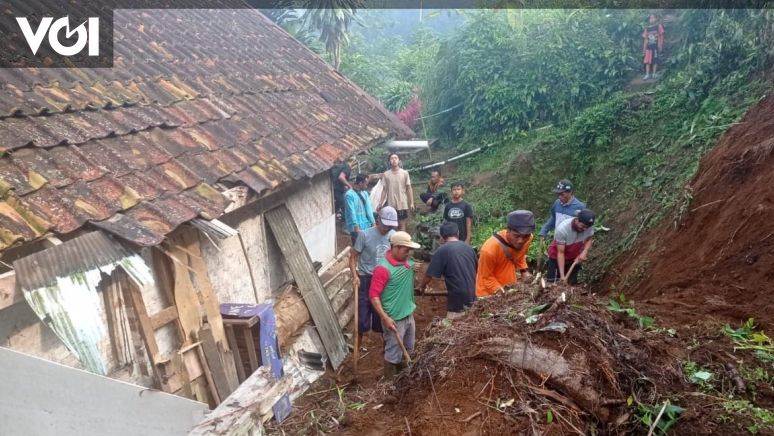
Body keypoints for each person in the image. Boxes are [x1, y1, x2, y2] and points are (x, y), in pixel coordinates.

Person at [369, 231, 420, 378]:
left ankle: (403, 379)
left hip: (408, 315)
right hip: (394, 319)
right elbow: (373, 296)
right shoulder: (382, 269)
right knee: (393, 353)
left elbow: (408, 266)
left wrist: (414, 268)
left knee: (409, 348)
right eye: (406, 250)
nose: (408, 254)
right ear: (395, 248)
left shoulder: (406, 263)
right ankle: (389, 385)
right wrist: (385, 318)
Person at [349, 207, 399, 348]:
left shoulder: (393, 236)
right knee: (362, 317)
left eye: (390, 226)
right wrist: (354, 276)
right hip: (366, 279)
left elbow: (396, 258)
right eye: (384, 225)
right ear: (378, 220)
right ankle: (357, 347)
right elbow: (353, 257)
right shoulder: (364, 235)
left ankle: (387, 350)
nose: (387, 228)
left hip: (384, 280)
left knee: (383, 317)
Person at [418, 222, 477, 319]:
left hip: (458, 300)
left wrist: (422, 287)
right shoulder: (469, 248)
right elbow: (476, 270)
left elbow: (429, 275)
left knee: (454, 330)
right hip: (474, 297)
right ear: (458, 233)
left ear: (442, 237)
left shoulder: (442, 250)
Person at [475, 210, 535, 297]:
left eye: (525, 236)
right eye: (516, 236)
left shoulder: (528, 239)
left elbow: (520, 254)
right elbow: (486, 278)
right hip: (488, 294)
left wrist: (523, 270)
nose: (521, 241)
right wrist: (503, 293)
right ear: (508, 230)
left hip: (509, 287)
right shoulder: (489, 249)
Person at [547, 208, 596, 285]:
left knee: (571, 284)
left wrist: (584, 252)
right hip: (557, 256)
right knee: (552, 282)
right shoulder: (562, 229)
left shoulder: (588, 227)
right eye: (582, 226)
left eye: (587, 227)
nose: (584, 229)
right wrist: (562, 276)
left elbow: (589, 239)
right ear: (577, 220)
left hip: (573, 257)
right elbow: (560, 253)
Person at [379, 153, 414, 231]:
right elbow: (384, 190)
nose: (394, 160)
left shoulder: (404, 173)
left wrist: (411, 202)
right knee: (392, 224)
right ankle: (394, 242)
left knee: (402, 224)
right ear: (389, 161)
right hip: (391, 204)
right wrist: (380, 203)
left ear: (399, 160)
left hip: (402, 203)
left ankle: (402, 242)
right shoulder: (386, 174)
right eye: (392, 158)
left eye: (396, 158)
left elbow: (408, 188)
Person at [344, 174, 375, 245]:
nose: (366, 186)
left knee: (367, 246)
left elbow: (368, 209)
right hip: (355, 227)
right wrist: (356, 225)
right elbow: (351, 212)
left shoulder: (365, 193)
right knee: (357, 248)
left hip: (366, 225)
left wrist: (373, 222)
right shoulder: (349, 195)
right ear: (360, 183)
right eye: (365, 184)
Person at [642, 14, 664, 80]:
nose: (652, 19)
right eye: (650, 18)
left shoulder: (658, 26)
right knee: (647, 61)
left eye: (653, 18)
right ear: (648, 20)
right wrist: (644, 50)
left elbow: (661, 36)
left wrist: (660, 46)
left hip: (655, 47)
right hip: (648, 48)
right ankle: (647, 74)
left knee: (655, 61)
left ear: (656, 18)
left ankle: (654, 74)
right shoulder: (647, 29)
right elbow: (645, 39)